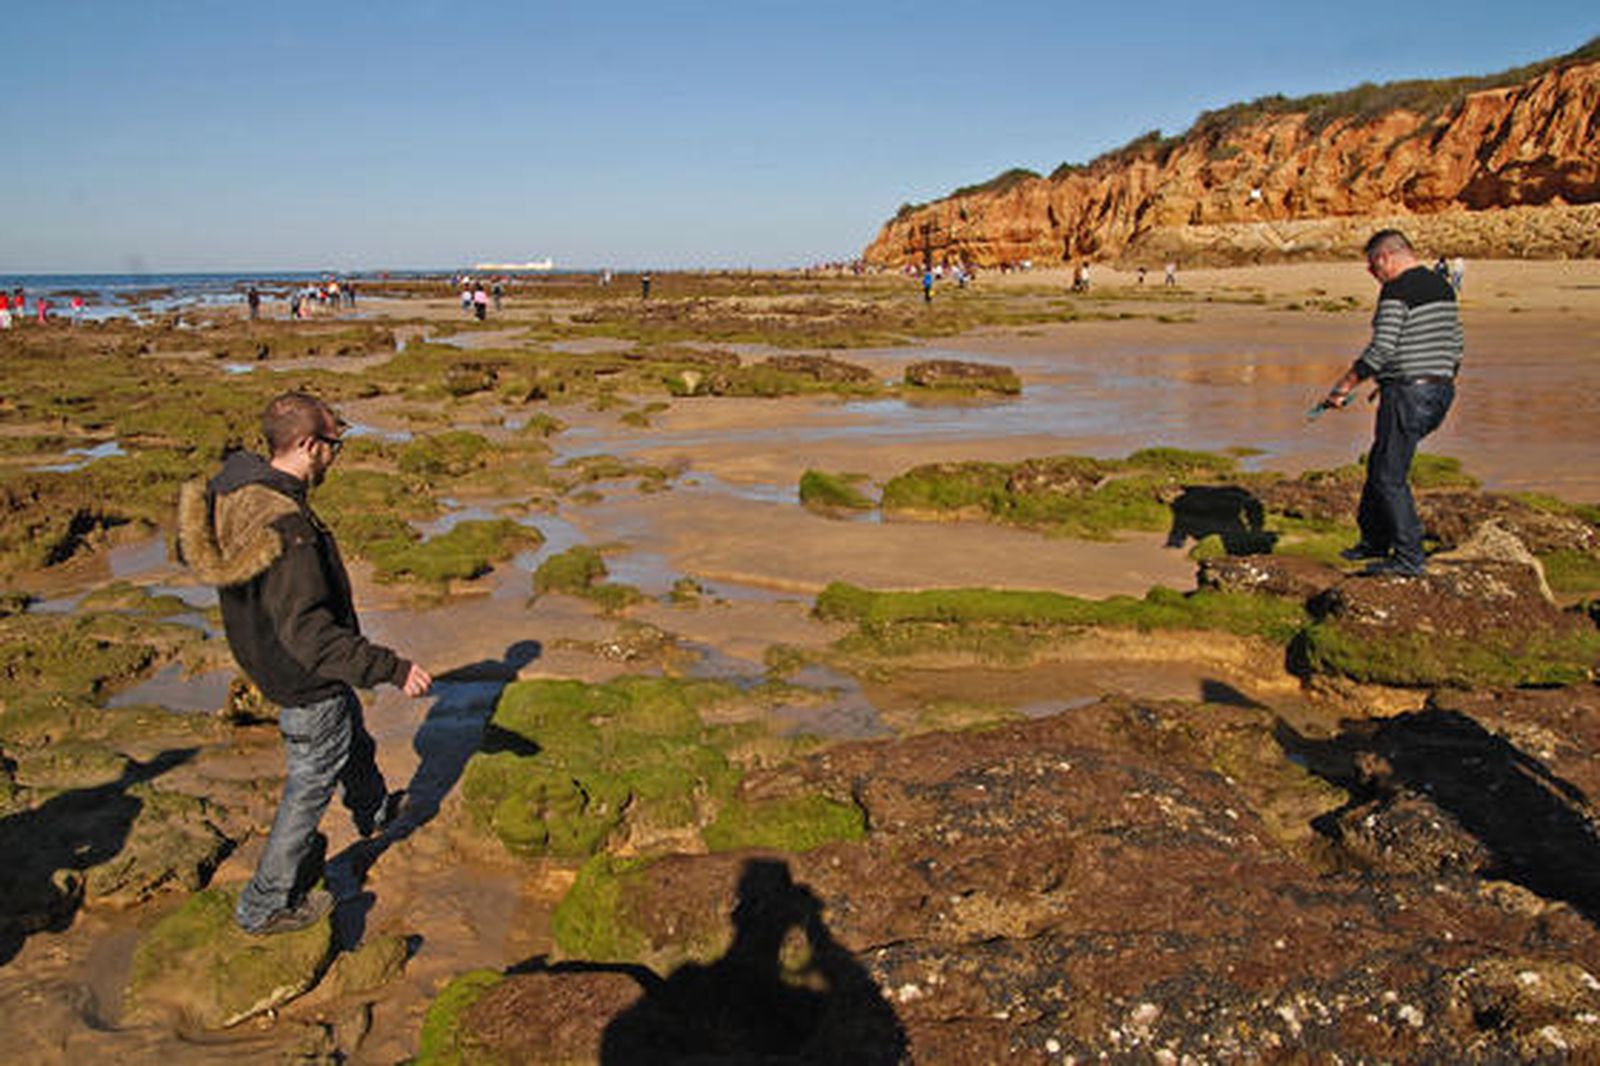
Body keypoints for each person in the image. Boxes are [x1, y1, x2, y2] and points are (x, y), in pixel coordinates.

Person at [177, 392, 432, 935]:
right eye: (334, 446)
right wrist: (392, 668)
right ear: (310, 446)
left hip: (271, 658)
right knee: (310, 783)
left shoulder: (239, 487)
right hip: (298, 674)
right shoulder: (287, 526)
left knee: (348, 730)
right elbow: (311, 636)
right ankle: (264, 904)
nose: (335, 458)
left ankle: (373, 810)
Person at [1319, 230, 1462, 577]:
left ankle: (1410, 557)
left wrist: (1343, 386)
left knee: (1389, 475)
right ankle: (1374, 541)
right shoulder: (1442, 286)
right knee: (1381, 463)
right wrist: (1397, 381)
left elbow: (1381, 348)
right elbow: (1454, 346)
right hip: (1437, 390)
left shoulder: (1397, 289)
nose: (1372, 275)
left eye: (1371, 267)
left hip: (1410, 393)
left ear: (1385, 258)